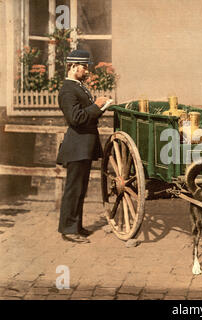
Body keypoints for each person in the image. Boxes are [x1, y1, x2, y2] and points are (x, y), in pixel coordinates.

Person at [56, 49, 109, 243]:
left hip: (84, 146)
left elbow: (87, 116)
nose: (87, 71)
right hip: (76, 147)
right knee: (74, 189)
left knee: (80, 189)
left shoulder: (78, 86)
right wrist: (96, 106)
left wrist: (100, 107)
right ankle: (68, 230)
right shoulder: (68, 89)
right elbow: (76, 118)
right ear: (72, 66)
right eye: (84, 67)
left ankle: (76, 226)